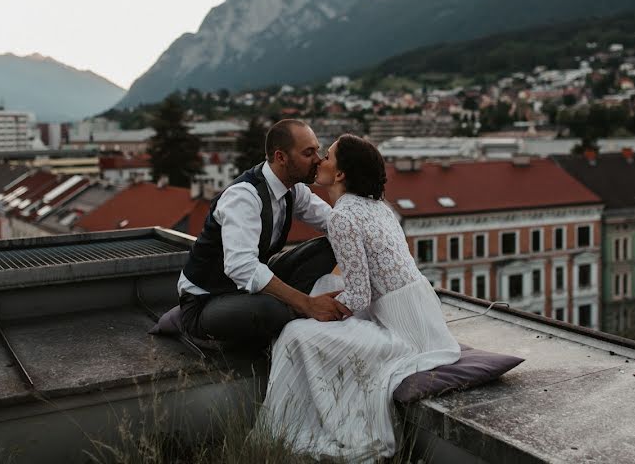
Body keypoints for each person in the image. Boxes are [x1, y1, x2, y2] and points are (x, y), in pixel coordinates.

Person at [258, 134, 461, 461]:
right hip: (425, 319)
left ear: (339, 175)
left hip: (400, 332)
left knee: (296, 335)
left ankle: (284, 432)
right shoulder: (380, 208)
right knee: (322, 289)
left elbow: (360, 295)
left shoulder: (342, 216)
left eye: (328, 156)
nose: (320, 160)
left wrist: (313, 311)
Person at [176, 119, 351, 349]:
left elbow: (334, 223)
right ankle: (297, 311)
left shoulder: (293, 188)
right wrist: (307, 304)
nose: (318, 159)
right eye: (309, 153)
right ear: (281, 157)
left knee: (329, 244)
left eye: (317, 150)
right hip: (206, 300)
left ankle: (294, 310)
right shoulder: (244, 197)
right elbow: (242, 267)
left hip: (243, 287)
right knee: (271, 311)